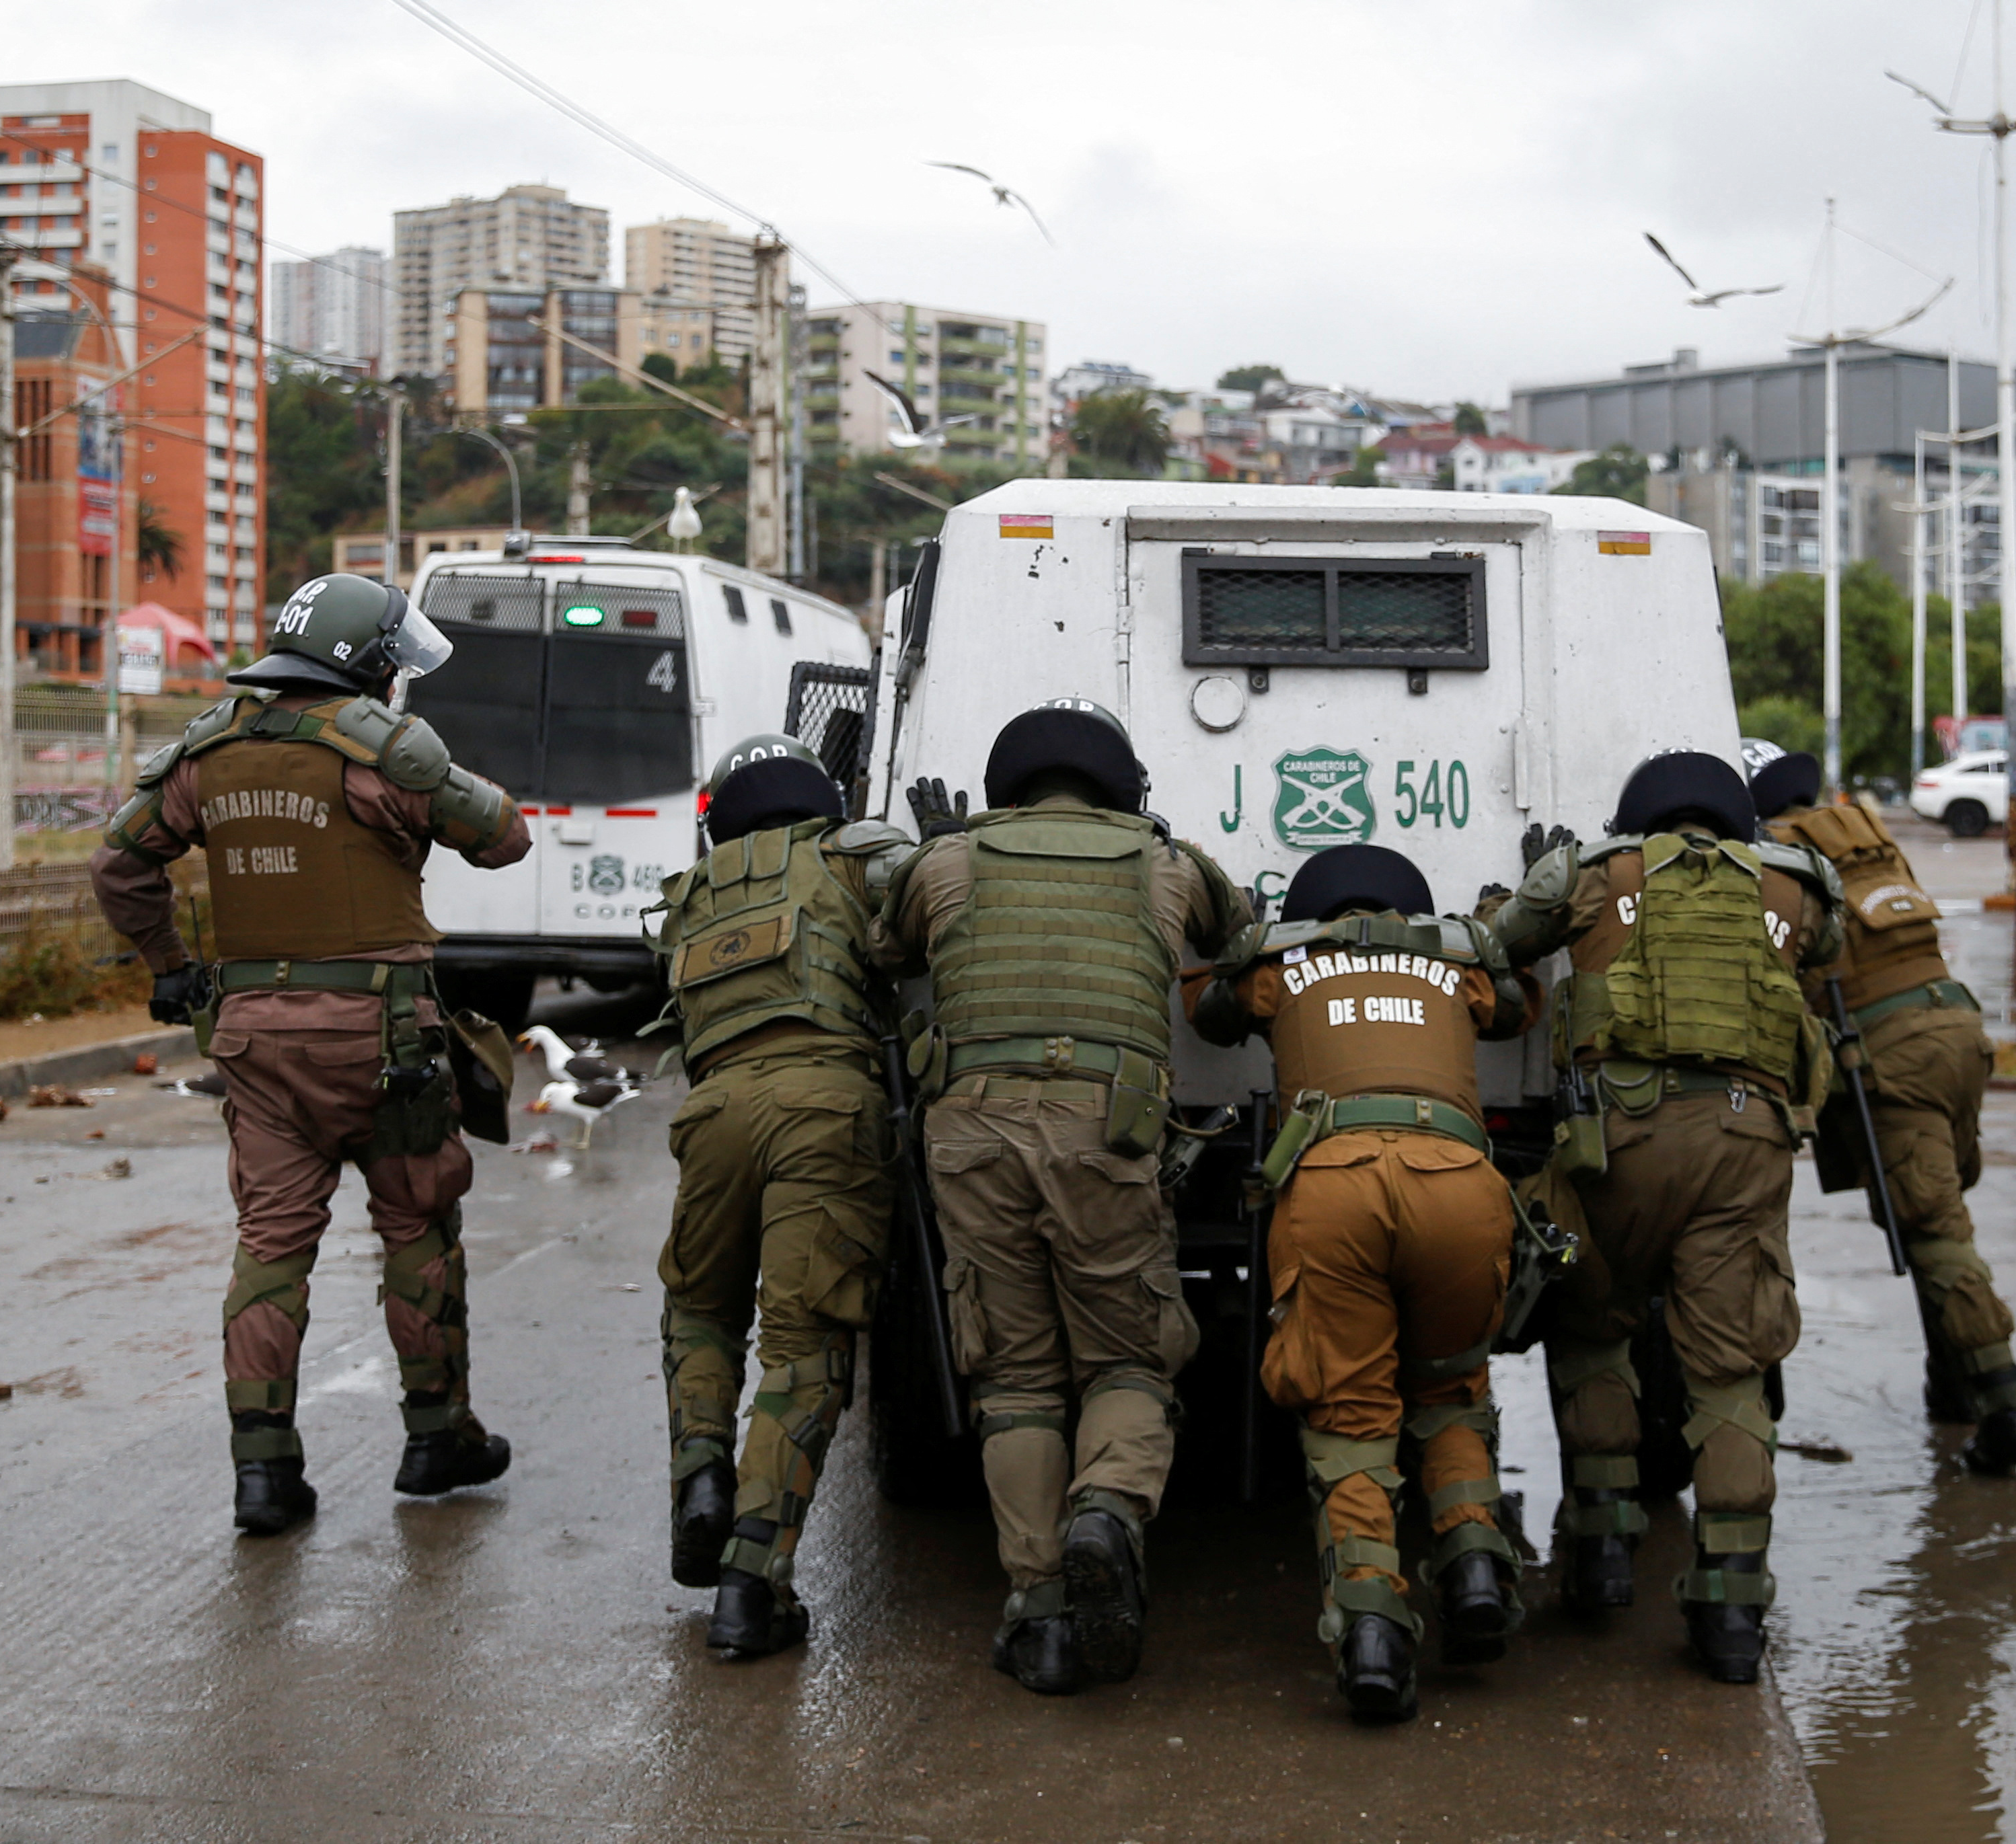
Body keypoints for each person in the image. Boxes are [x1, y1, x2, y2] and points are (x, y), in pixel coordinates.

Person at [90, 574, 530, 1535]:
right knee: (416, 1227)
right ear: (365, 662)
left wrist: (170, 966)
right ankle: (435, 1434)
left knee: (270, 1245)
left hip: (252, 1038)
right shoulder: (380, 750)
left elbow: (119, 862)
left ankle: (263, 1474)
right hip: (383, 1041)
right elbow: (503, 840)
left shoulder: (206, 751)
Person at [877, 697, 1246, 1696]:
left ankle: (1037, 1612)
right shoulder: (1163, 865)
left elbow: (888, 949)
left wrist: (942, 848)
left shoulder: (947, 863)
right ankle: (1108, 1510)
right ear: (1120, 785)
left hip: (972, 1131)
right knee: (1127, 1352)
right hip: (1106, 1131)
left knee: (1016, 1377)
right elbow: (1237, 927)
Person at [1483, 751, 1837, 1684]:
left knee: (1594, 1330)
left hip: (1616, 1144)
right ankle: (1728, 1608)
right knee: (1729, 1372)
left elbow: (1496, 947)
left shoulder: (1593, 875)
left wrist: (1508, 893)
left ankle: (1600, 1552)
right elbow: (1825, 957)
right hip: (1746, 1146)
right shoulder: (1797, 887)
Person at [1187, 844, 1534, 1721]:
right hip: (1458, 1183)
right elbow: (1518, 1009)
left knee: (1350, 1412)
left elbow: (1210, 1011)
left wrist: (1234, 936)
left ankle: (1374, 1634)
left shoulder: (1288, 964)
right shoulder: (1451, 963)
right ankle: (1475, 1561)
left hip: (1334, 1188)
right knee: (1450, 1387)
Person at [650, 734, 916, 1657]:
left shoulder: (689, 896)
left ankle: (700, 1475)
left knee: (699, 1311)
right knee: (805, 1348)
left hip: (713, 1110)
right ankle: (751, 1587)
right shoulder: (854, 854)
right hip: (826, 1107)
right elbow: (928, 914)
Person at [1751, 748, 2016, 1474]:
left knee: (1935, 1233)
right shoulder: (1862, 836)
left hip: (1895, 1054)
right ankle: (1952, 1387)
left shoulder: (1777, 860)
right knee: (1937, 1217)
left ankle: (2008, 1413)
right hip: (1956, 1029)